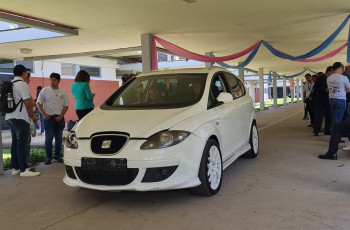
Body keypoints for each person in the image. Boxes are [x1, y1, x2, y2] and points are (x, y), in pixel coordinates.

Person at [5, 64, 40, 176]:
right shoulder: (22, 84)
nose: (27, 74)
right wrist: (32, 117)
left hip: (9, 117)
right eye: (26, 72)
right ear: (24, 73)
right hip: (20, 117)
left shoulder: (11, 83)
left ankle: (15, 168)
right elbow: (27, 103)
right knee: (22, 143)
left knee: (15, 142)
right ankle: (23, 170)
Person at [37, 73, 69, 165]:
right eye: (51, 79)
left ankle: (57, 156)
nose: (52, 81)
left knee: (59, 138)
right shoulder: (44, 91)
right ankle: (48, 158)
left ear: (59, 81)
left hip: (60, 118)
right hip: (49, 118)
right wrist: (44, 115)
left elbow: (66, 106)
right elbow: (38, 103)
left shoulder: (63, 92)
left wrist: (61, 116)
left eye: (54, 80)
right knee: (49, 138)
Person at [309, 67, 333, 136]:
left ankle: (327, 130)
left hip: (329, 100)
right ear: (328, 71)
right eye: (332, 71)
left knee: (329, 116)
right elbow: (316, 88)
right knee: (319, 116)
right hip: (321, 100)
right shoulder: (320, 78)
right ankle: (316, 131)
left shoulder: (332, 78)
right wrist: (324, 89)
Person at [23, 73, 39, 168]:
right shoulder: (23, 89)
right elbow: (29, 104)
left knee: (26, 140)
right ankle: (25, 161)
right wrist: (32, 116)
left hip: (23, 118)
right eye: (28, 79)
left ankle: (24, 161)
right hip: (25, 118)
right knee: (26, 140)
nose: (29, 81)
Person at [327, 62, 350, 130]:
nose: (343, 70)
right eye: (342, 68)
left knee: (335, 117)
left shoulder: (329, 78)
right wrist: (342, 89)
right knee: (337, 120)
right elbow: (348, 90)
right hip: (341, 99)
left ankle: (336, 135)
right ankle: (334, 138)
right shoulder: (344, 77)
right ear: (340, 68)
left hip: (331, 99)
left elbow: (329, 89)